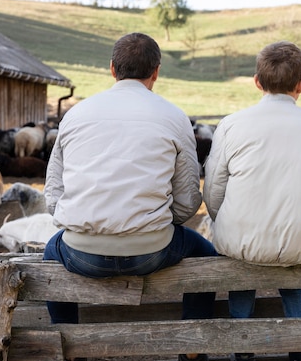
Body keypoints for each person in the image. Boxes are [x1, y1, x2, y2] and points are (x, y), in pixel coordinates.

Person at [43, 32, 217, 361]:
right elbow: (187, 199)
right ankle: (192, 348)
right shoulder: (175, 116)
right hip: (151, 250)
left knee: (52, 250)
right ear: (156, 71)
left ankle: (65, 344)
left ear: (112, 69)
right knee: (204, 250)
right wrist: (158, 224)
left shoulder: (76, 115)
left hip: (82, 253)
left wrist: (80, 223)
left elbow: (53, 193)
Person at [203, 41, 301, 361]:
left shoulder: (231, 126)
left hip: (241, 237)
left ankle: (242, 349)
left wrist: (225, 221)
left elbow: (213, 190)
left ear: (257, 81)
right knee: (294, 269)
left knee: (241, 266)